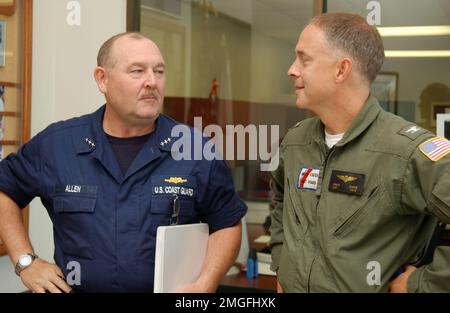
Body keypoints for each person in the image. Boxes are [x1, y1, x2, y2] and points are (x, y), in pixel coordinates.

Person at [0, 32, 246, 293]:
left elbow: (227, 222)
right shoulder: (58, 145)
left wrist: (205, 283)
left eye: (159, 71)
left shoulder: (195, 150)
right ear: (102, 79)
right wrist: (25, 262)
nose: (152, 82)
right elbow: (5, 189)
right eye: (137, 71)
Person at [269, 13, 450, 292]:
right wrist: (283, 263)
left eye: (304, 59)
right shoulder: (295, 142)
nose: (292, 70)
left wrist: (420, 284)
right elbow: (280, 198)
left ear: (341, 70)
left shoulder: (405, 152)